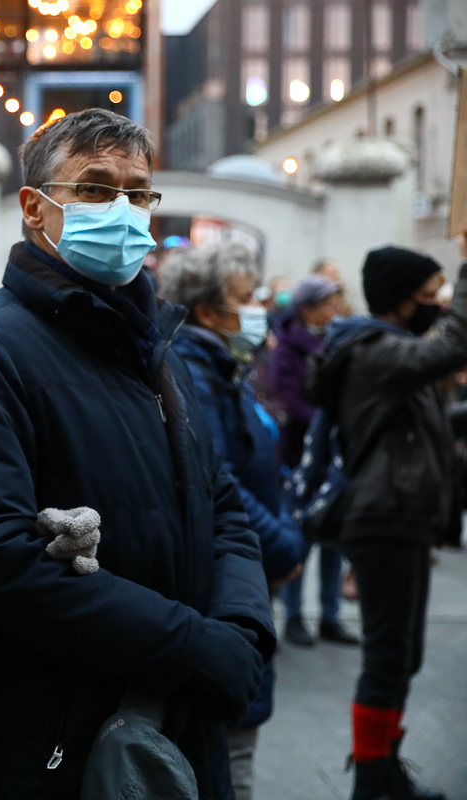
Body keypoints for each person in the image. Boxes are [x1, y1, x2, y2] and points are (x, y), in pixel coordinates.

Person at [0, 108, 275, 800]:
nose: (123, 209)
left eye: (138, 192)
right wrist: (193, 648)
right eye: (94, 188)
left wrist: (240, 629)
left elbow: (220, 499)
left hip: (178, 716)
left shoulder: (151, 342)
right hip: (61, 744)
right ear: (34, 207)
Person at [307, 245, 467, 800]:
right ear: (402, 300)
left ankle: (383, 768)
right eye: (430, 294)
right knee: (387, 656)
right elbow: (456, 346)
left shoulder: (391, 352)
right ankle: (373, 781)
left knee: (403, 655)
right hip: (383, 521)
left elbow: (432, 413)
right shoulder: (373, 350)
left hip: (403, 520)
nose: (436, 303)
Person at [159, 242, 307, 800]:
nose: (257, 309)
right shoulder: (195, 370)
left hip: (249, 572)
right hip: (234, 582)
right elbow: (221, 485)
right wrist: (285, 547)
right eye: (245, 300)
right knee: (231, 762)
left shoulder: (223, 363)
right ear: (206, 311)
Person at [270, 275, 359, 647]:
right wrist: (330, 422)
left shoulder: (340, 341)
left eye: (336, 303)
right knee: (301, 537)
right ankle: (294, 616)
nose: (333, 310)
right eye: (326, 304)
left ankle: (330, 615)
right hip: (299, 457)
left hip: (339, 456)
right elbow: (288, 399)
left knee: (335, 536)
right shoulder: (287, 348)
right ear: (306, 309)